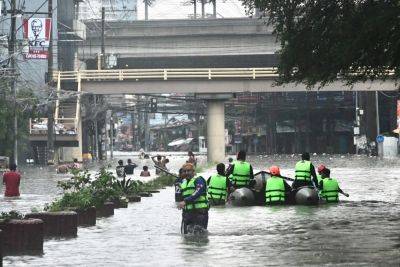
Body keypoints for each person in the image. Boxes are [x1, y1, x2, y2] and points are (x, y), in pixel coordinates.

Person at [178, 163, 209, 234]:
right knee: (186, 237)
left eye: (189, 171)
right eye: (185, 171)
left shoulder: (199, 180)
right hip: (187, 214)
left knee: (200, 236)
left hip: (200, 213)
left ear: (193, 171)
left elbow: (198, 192)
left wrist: (185, 201)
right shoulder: (183, 183)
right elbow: (181, 198)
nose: (186, 173)